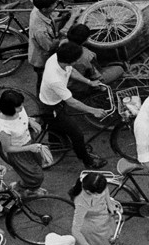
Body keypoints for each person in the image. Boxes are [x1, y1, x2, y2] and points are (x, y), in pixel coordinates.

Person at [39, 41, 110, 169]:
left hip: (56, 100)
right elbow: (72, 102)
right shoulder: (54, 78)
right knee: (77, 134)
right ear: (70, 61)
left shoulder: (57, 58)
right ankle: (88, 161)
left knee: (57, 128)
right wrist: (92, 110)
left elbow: (71, 71)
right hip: (52, 107)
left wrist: (89, 82)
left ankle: (56, 144)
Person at [0, 89, 49, 197]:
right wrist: (29, 148)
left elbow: (23, 117)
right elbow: (7, 148)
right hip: (19, 153)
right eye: (18, 107)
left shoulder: (18, 108)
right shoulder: (4, 127)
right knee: (36, 176)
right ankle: (20, 188)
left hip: (29, 143)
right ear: (9, 108)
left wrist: (30, 121)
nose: (21, 108)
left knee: (36, 168)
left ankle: (31, 187)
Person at [68, 173, 123, 245]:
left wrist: (109, 205)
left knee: (110, 242)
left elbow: (105, 190)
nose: (102, 194)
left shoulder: (95, 185)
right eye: (99, 193)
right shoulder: (82, 203)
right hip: (94, 227)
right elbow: (75, 230)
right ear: (89, 192)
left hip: (105, 219)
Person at [65, 24, 127, 97]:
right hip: (80, 87)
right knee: (120, 67)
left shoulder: (62, 43)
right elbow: (96, 76)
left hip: (65, 81)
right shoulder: (87, 55)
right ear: (86, 39)